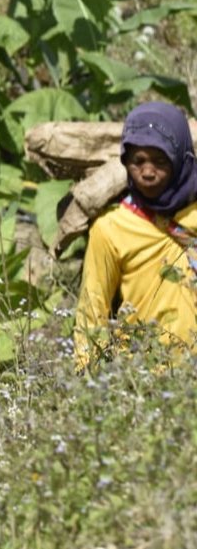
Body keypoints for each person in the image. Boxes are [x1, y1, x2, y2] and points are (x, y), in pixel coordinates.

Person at [74, 101, 197, 372]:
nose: (148, 172)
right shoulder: (111, 228)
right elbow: (92, 312)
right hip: (144, 379)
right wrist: (86, 377)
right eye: (137, 162)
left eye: (160, 161)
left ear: (182, 159)